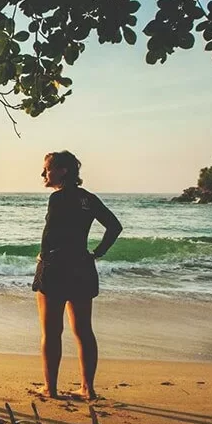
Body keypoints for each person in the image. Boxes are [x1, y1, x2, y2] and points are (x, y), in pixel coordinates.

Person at [32, 151, 122, 401]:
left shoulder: (57, 199)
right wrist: (97, 253)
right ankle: (87, 388)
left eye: (47, 168)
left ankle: (50, 389)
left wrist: (42, 256)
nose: (43, 173)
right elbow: (115, 226)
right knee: (83, 330)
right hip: (82, 267)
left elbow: (49, 235)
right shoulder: (88, 199)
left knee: (51, 331)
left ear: (63, 170)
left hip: (57, 268)